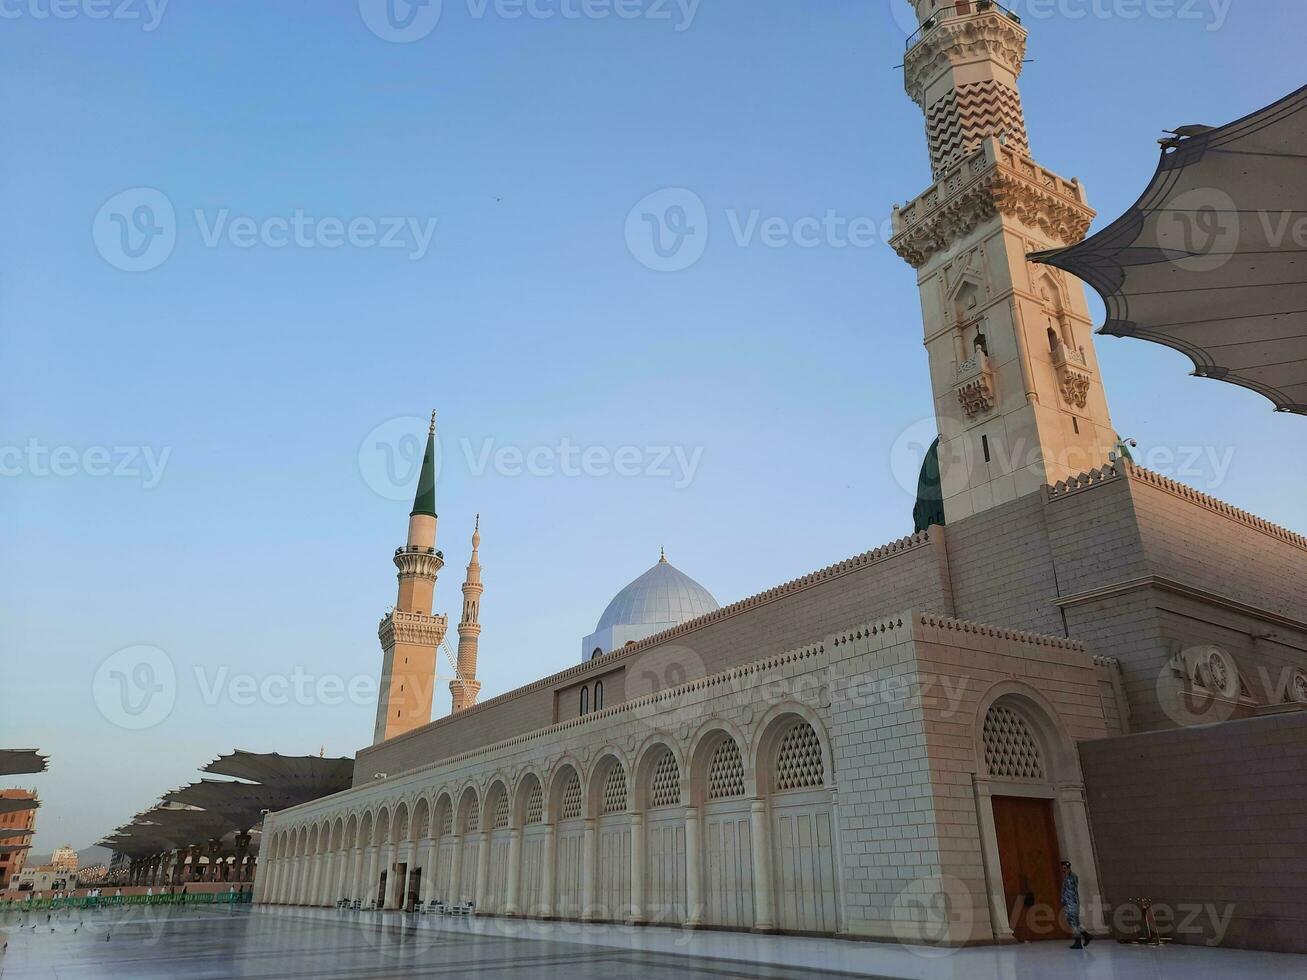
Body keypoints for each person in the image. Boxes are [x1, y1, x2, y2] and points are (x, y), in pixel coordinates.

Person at [1061, 860, 1093, 949]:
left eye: (1065, 868)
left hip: (1072, 902)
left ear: (1068, 868)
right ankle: (1086, 935)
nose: (1064, 870)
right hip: (1068, 902)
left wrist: (1067, 900)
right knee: (1071, 921)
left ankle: (1078, 942)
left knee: (1074, 922)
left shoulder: (1072, 877)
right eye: (1063, 868)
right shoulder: (1066, 877)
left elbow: (1071, 889)